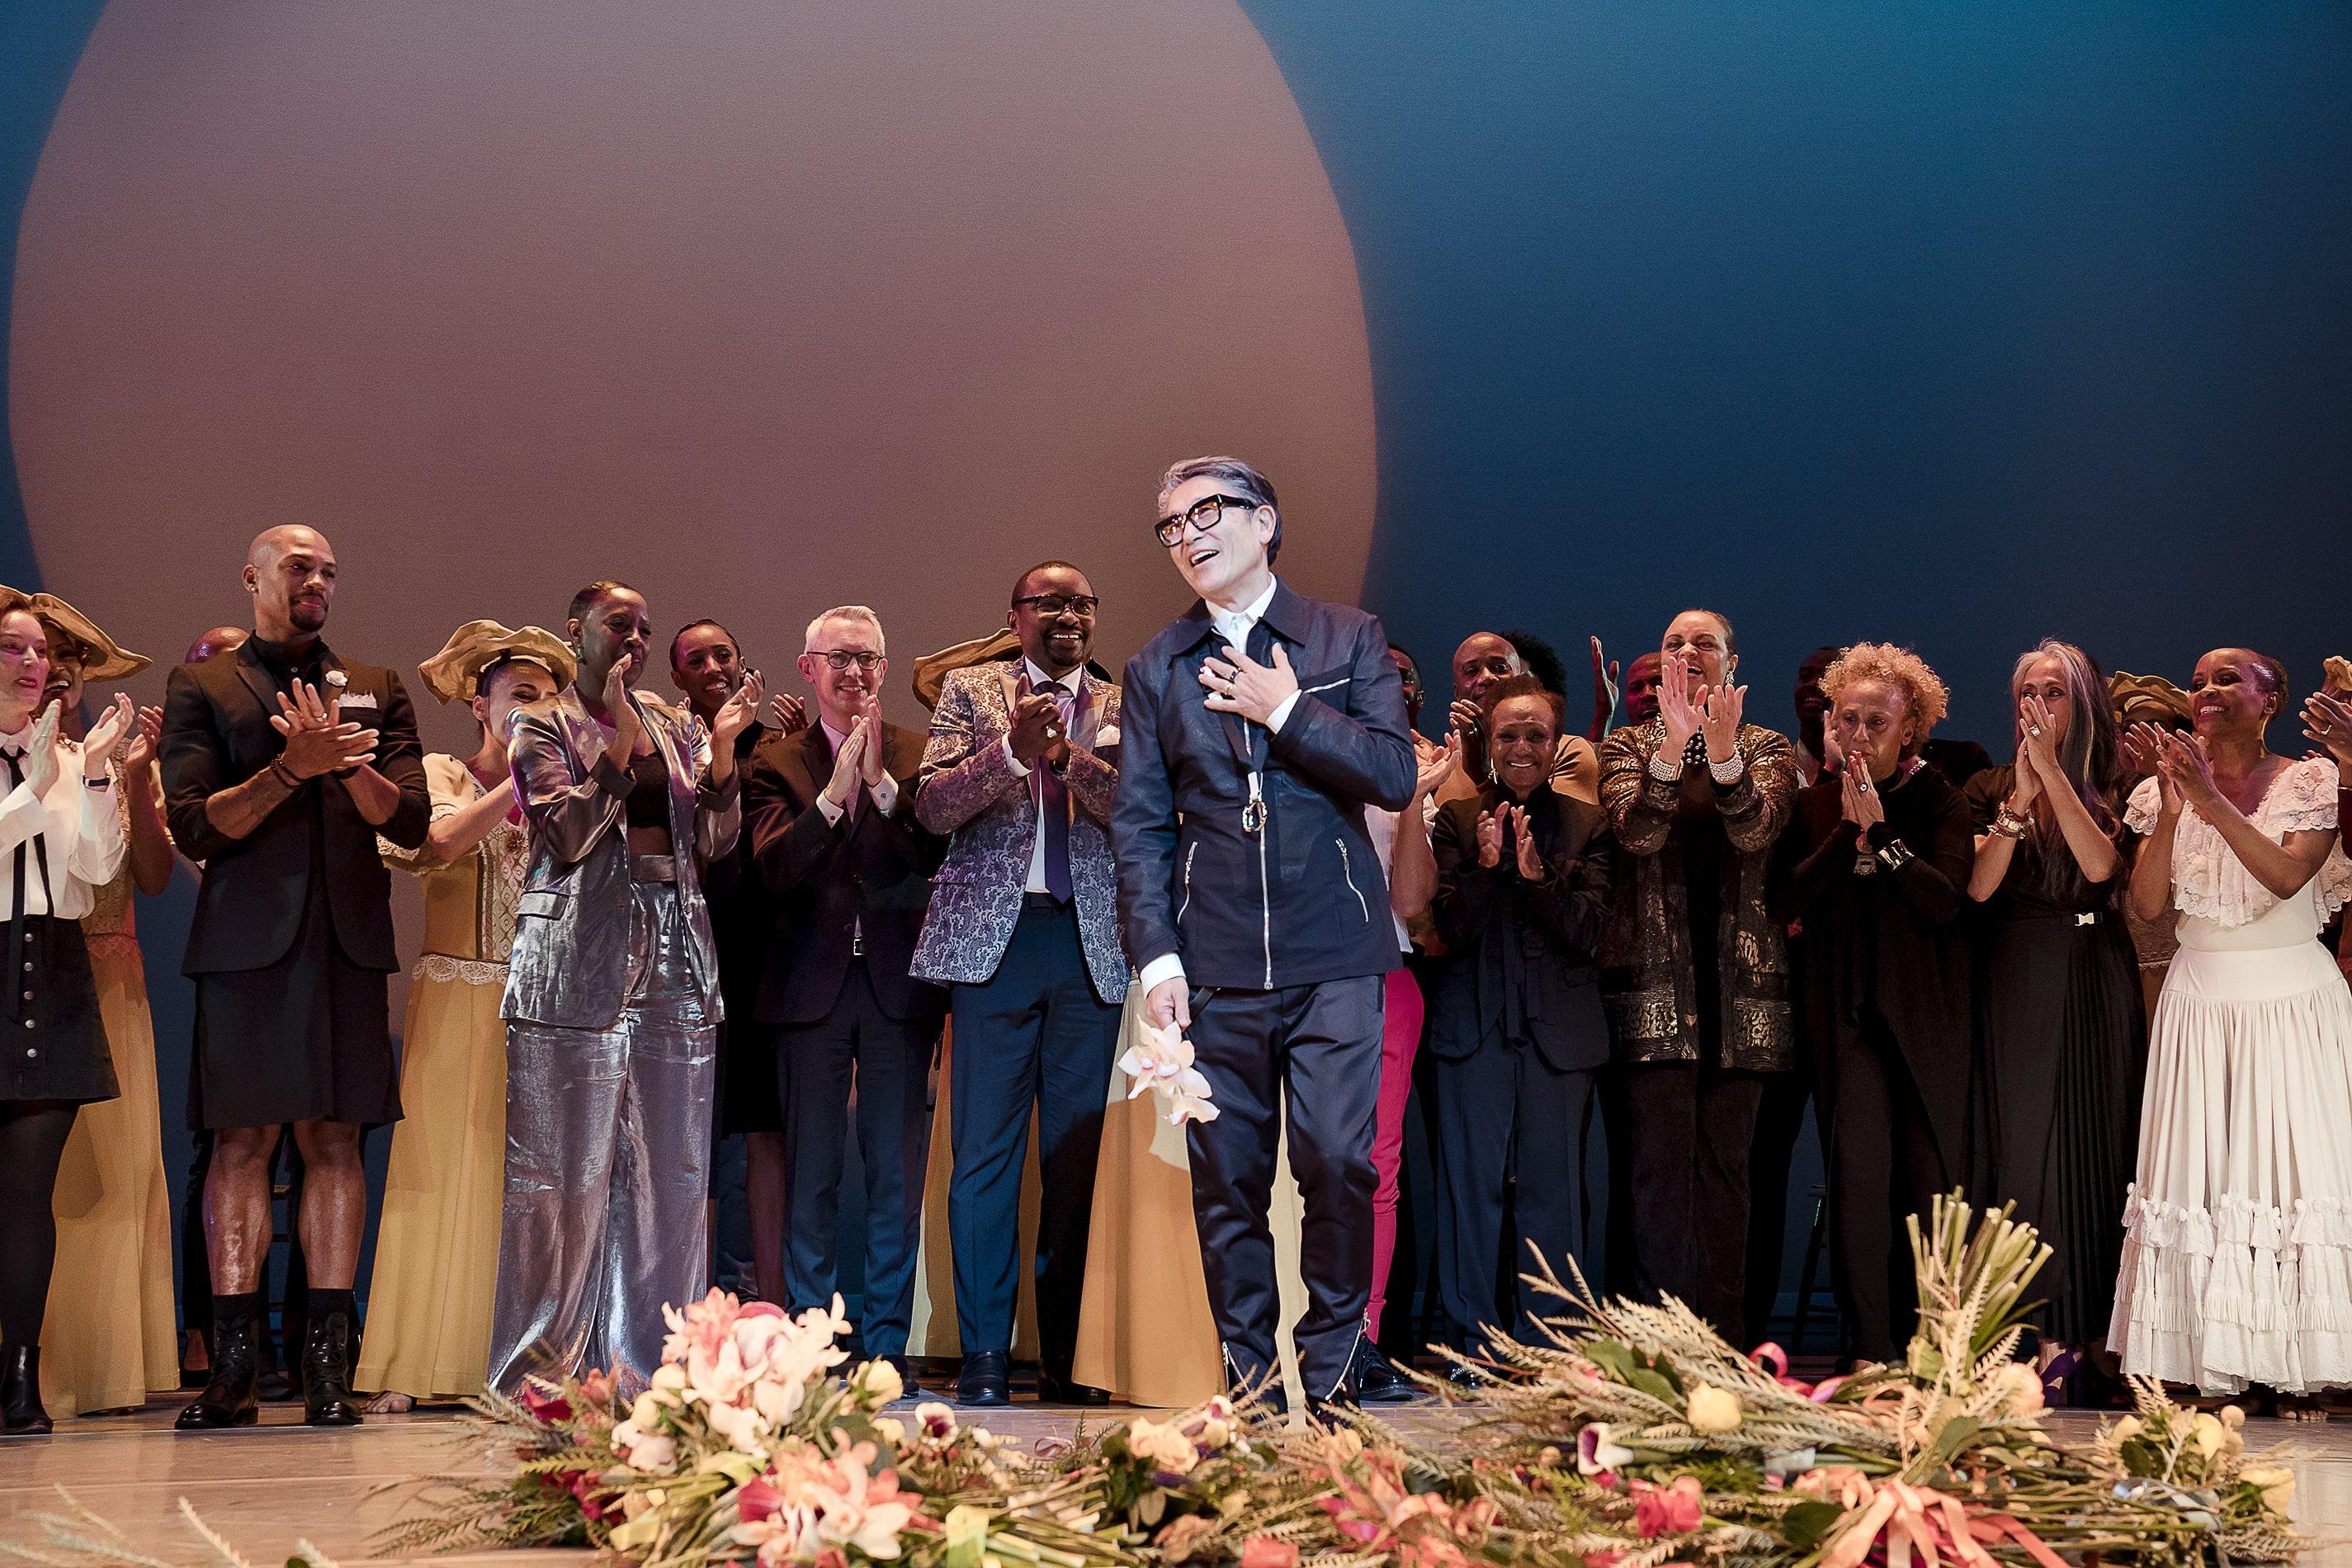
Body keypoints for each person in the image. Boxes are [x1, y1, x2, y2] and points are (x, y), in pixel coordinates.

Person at [1112, 454, 1416, 1415]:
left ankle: (1329, 1375)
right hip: (1216, 962)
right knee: (1228, 1184)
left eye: (1209, 511)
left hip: (1337, 950)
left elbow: (1394, 773)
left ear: (1265, 520)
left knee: (1337, 1159)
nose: (1190, 534)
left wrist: (1285, 709)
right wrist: (1157, 956)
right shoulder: (1156, 664)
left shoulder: (1345, 635)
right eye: (1172, 524)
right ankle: (1247, 1387)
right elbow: (1139, 826)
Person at [162, 526, 431, 1430]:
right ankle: (232, 1366)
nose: (317, 581)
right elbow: (196, 825)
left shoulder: (378, 687)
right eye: (299, 567)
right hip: (244, 950)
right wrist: (288, 768)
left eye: (328, 570)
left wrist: (347, 770)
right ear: (253, 578)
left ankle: (326, 1366)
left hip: (346, 947)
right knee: (241, 1146)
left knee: (335, 1144)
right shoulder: (201, 684)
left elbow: (412, 824)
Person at [488, 583, 758, 1393]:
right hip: (573, 956)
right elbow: (565, 835)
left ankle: (653, 1374)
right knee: (561, 1179)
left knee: (668, 1177)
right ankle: (539, 1382)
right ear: (577, 632)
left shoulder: (674, 724)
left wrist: (727, 753)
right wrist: (615, 754)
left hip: (674, 945)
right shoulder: (539, 722)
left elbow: (710, 840)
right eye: (620, 625)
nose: (636, 638)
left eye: (645, 628)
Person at [2110, 648, 2352, 1403]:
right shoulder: (2163, 792)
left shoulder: (2309, 779)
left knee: (2291, 1175)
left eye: (2228, 679)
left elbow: (2285, 878)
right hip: (2199, 1001)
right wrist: (2176, 811)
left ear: (2270, 698)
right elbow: (2146, 909)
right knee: (2205, 1179)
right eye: (2198, 681)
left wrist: (2211, 801)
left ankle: (2306, 1363)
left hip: (2288, 1000)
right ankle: (2206, 1359)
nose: (2207, 691)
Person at [912, 564, 1123, 1407]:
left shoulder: (1120, 703)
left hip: (1088, 950)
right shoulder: (971, 690)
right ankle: (987, 1358)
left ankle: (1072, 1360)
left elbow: (1143, 807)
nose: (1068, 614)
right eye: (1051, 602)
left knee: (1077, 1166)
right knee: (985, 1161)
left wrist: (1065, 757)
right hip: (993, 950)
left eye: (1082, 602)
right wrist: (1010, 754)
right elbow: (931, 807)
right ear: (1016, 617)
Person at [357, 621, 571, 1412]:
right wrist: (517, 786)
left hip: (544, 1004)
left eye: (548, 698)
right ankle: (418, 1364)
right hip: (460, 994)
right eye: (521, 696)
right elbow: (434, 844)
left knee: (535, 1186)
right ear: (482, 707)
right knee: (442, 1171)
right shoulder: (443, 772)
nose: (536, 710)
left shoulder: (569, 794)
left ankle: (528, 1363)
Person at [744, 605, 945, 1389]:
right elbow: (771, 871)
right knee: (814, 1174)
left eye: (867, 659)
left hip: (900, 985)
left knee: (895, 1174)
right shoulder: (774, 761)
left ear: (884, 670)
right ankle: (809, 1349)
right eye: (839, 659)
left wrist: (884, 789)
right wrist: (830, 797)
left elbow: (936, 851)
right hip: (807, 991)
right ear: (808, 667)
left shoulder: (920, 754)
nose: (854, 673)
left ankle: (887, 1348)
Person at [1597, 609, 1798, 1339]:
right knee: (1656, 1176)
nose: (1686, 653)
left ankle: (1725, 1343)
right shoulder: (1626, 746)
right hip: (1656, 996)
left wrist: (1719, 758)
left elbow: (1757, 828)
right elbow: (1637, 832)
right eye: (1672, 644)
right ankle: (1657, 1345)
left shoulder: (1766, 745)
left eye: (1702, 644)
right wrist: (1674, 748)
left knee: (1727, 1176)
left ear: (1731, 665)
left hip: (1741, 999)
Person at [1772, 643, 1972, 1366]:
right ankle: (1870, 1349)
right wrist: (1847, 833)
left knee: (1924, 1184)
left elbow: (1946, 903)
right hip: (1844, 1015)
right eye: (1846, 718)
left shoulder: (1940, 799)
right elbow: (1784, 897)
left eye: (1875, 722)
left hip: (1924, 1020)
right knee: (1857, 1182)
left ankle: (1930, 1348)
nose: (1857, 735)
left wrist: (1882, 836)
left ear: (1910, 728)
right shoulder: (1814, 803)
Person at [1966, 640, 2144, 1401]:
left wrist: (2057, 781)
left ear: (2084, 705)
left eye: (2054, 692)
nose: (2036, 705)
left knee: (2094, 1146)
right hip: (2015, 974)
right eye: (2026, 692)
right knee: (2022, 1151)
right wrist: (2021, 798)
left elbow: (2103, 870)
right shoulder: (1985, 784)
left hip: (2092, 973)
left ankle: (2093, 1336)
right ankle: (2026, 1331)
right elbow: (1979, 888)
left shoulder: (2117, 782)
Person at [1426, 675, 1612, 1365]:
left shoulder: (1590, 823)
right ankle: (1470, 1349)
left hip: (1558, 1037)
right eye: (1509, 734)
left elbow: (1591, 931)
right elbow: (1449, 924)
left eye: (1537, 734)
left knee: (1553, 1198)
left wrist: (1537, 879)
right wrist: (1485, 866)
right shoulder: (1456, 818)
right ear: (1489, 743)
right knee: (1468, 1196)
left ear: (1558, 742)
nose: (1523, 747)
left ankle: (1551, 1353)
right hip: (1472, 1029)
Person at [20, 596, 174, 1421]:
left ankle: (88, 1364)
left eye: (70, 675)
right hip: (28, 974)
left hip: (103, 982)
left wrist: (132, 775)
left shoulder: (98, 763)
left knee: (106, 1182)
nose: (57, 687)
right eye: (47, 667)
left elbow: (141, 872)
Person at [0, 593, 133, 1434]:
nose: (31, 663)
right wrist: (36, 782)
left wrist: (90, 775)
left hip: (47, 971)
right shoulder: (36, 762)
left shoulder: (74, 756)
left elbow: (93, 872)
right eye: (13, 647)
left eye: (40, 651)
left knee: (25, 1193)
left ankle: (23, 1379)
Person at [669, 618, 805, 1306]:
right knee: (685, 1132)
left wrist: (802, 746)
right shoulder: (665, 743)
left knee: (764, 1130)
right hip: (680, 956)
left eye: (725, 652)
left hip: (759, 957)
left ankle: (772, 1301)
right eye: (697, 658)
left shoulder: (776, 748)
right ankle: (687, 1300)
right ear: (677, 678)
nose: (714, 665)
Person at [1355, 695, 1457, 1401]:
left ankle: (1360, 1339)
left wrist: (1415, 800)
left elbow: (1413, 904)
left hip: (1386, 982)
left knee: (1375, 1171)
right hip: (1290, 981)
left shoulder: (1399, 777)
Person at [2111, 671, 2194, 1016]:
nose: (2136, 738)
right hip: (2114, 956)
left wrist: (2154, 778)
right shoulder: (2099, 789)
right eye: (2130, 727)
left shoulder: (2194, 793)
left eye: (2153, 728)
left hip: (2171, 959)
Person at [1442, 633, 1599, 808]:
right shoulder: (1444, 764)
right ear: (1457, 692)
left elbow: (1558, 829)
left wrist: (1481, 776)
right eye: (1471, 671)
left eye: (1500, 668)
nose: (1486, 677)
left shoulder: (1566, 751)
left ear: (1520, 680)